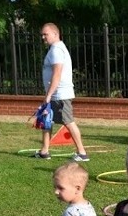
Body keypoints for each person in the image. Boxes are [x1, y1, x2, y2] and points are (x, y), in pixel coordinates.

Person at [34, 23, 89, 162]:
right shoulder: (55, 49)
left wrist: (48, 95)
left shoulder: (56, 50)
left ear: (55, 34)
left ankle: (82, 153)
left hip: (60, 94)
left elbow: (57, 74)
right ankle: (44, 151)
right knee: (47, 121)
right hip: (55, 94)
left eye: (45, 34)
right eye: (42, 34)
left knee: (68, 121)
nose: (43, 37)